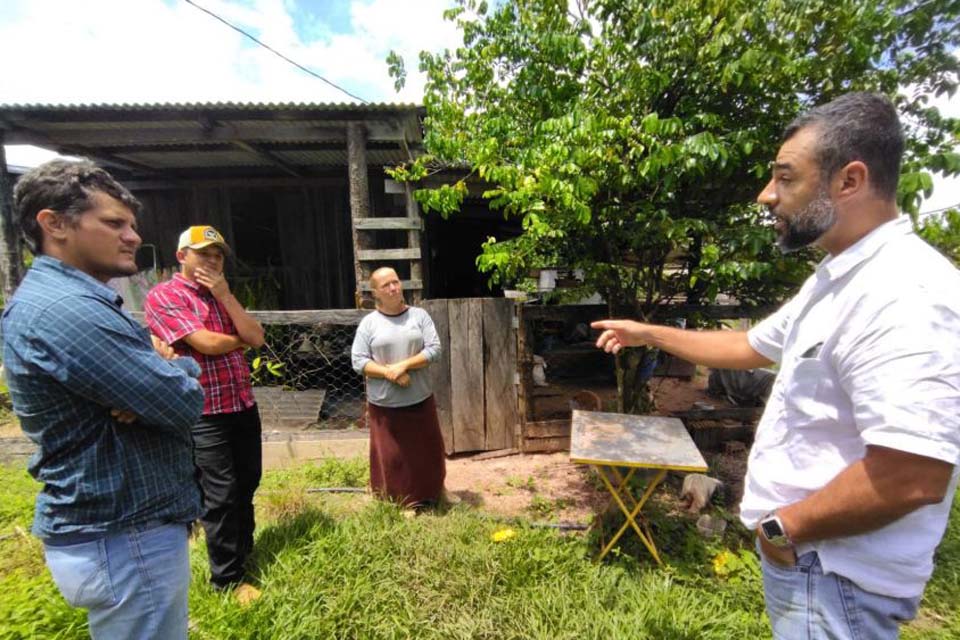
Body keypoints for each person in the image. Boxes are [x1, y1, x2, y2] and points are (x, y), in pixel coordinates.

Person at [592, 92, 960, 639]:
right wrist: (647, 332)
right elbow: (750, 346)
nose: (767, 196)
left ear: (850, 181)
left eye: (785, 178)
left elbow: (914, 474)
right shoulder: (837, 280)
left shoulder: (904, 291)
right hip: (814, 565)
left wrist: (781, 528)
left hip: (833, 575)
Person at [2, 159, 205, 639]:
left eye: (131, 224)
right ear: (54, 224)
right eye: (113, 223)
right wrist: (176, 368)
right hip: (125, 532)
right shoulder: (67, 312)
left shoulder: (75, 302)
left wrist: (156, 373)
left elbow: (160, 392)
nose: (133, 236)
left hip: (120, 528)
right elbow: (181, 401)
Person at [144, 225, 265, 604]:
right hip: (204, 411)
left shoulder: (221, 296)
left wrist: (226, 295)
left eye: (218, 255)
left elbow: (257, 336)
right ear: (182, 256)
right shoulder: (164, 295)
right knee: (221, 494)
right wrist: (239, 340)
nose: (213, 261)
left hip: (241, 402)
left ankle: (243, 555)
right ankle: (226, 580)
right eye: (204, 253)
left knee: (248, 482)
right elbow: (206, 343)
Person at [351, 267, 448, 510]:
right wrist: (389, 373)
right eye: (386, 285)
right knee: (392, 457)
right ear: (375, 293)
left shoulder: (419, 316)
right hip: (385, 403)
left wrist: (403, 365)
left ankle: (435, 493)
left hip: (420, 397)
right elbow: (358, 361)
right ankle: (401, 501)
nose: (394, 288)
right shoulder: (369, 324)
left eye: (396, 282)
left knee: (429, 452)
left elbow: (434, 349)